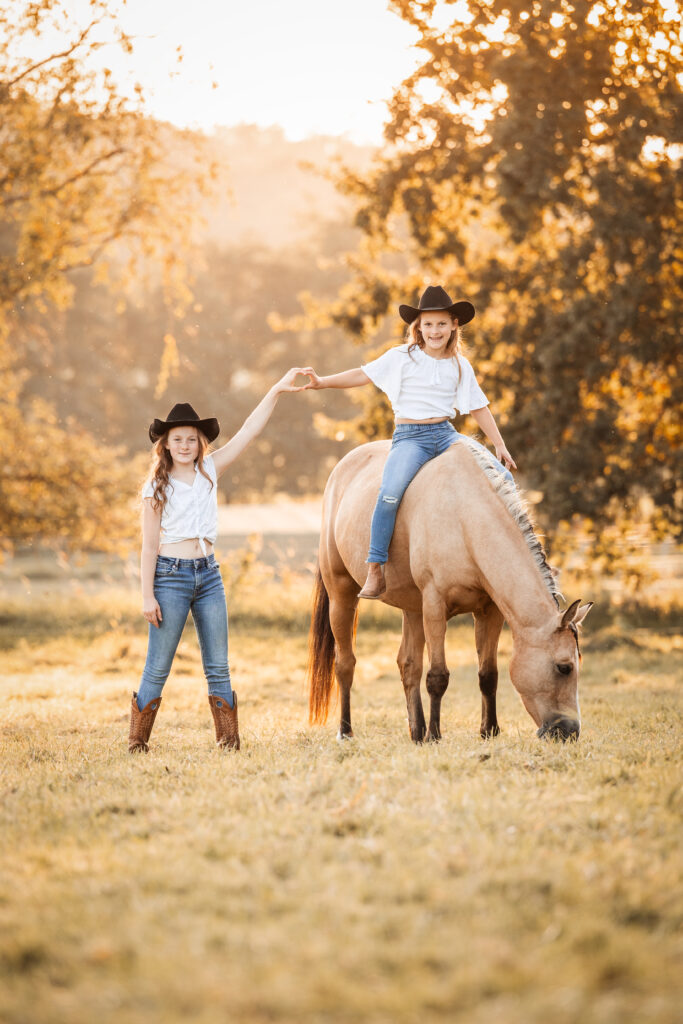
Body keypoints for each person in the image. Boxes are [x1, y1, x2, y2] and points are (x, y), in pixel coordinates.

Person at [129, 368, 307, 754]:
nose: (185, 445)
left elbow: (249, 432)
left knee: (218, 665)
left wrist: (276, 389)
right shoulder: (155, 488)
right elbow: (148, 547)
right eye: (177, 439)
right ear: (165, 444)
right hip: (169, 577)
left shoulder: (211, 469)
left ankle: (228, 741)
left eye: (192, 439)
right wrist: (147, 596)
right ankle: (137, 741)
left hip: (208, 575)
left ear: (201, 443)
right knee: (158, 666)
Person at [302, 285, 516, 599]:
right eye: (428, 324)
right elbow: (362, 374)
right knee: (389, 494)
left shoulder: (459, 364)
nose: (435, 330)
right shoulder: (402, 358)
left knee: (503, 479)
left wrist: (499, 445)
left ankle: (512, 559)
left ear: (454, 324)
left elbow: (478, 406)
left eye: (442, 323)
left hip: (446, 435)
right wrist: (323, 383)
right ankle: (375, 567)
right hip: (410, 438)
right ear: (418, 327)